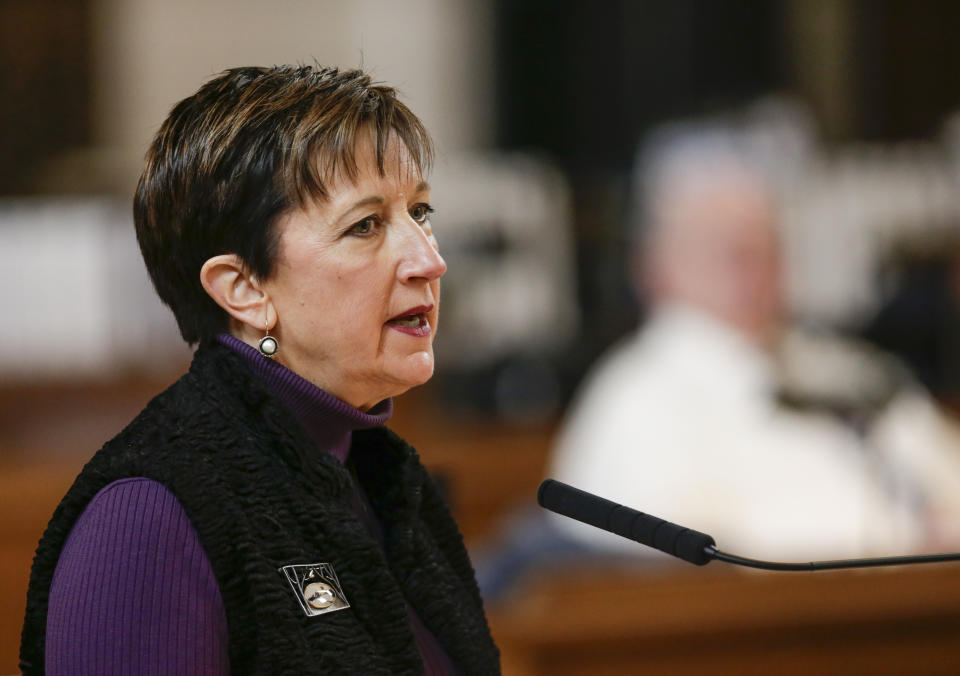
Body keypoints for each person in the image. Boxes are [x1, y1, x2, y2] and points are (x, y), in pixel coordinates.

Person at [20, 65, 499, 675]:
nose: (429, 260)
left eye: (421, 213)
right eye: (365, 225)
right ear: (244, 288)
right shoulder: (147, 519)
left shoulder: (386, 485)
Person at [548, 129, 927, 562]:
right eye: (729, 251)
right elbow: (679, 568)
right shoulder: (632, 399)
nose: (756, 271)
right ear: (654, 267)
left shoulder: (841, 366)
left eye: (768, 248)